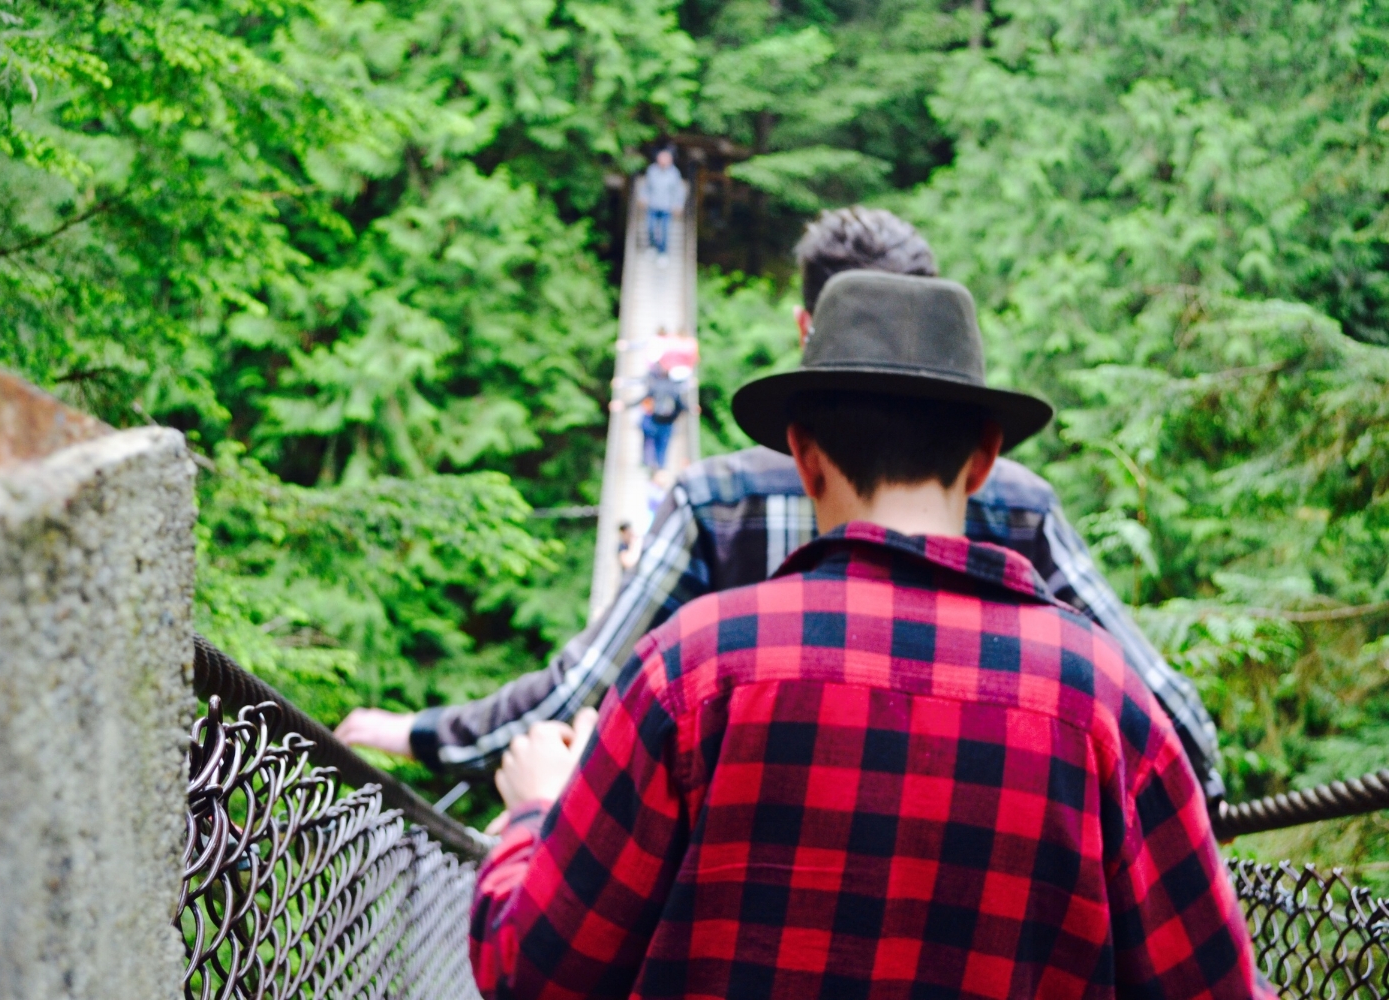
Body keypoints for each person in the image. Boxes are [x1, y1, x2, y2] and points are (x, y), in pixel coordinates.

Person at [469, 271, 1263, 998]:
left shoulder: (695, 669)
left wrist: (536, 810)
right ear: (986, 458)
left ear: (804, 458)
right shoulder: (1099, 697)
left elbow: (531, 977)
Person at [333, 207, 1224, 806]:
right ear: (981, 448)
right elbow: (1181, 737)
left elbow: (576, 696)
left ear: (809, 353)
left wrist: (422, 734)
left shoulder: (715, 521)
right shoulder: (1023, 519)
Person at [638, 148, 686, 259]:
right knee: (650, 227)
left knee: (665, 231)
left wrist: (679, 204)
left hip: (667, 207)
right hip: (653, 205)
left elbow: (679, 190)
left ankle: (663, 252)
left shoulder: (674, 173)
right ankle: (652, 247)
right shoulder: (652, 170)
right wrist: (643, 197)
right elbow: (646, 187)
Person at [640, 363, 687, 471]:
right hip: (668, 423)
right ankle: (660, 468)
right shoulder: (675, 388)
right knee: (663, 448)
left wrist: (624, 405)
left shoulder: (655, 386)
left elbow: (642, 399)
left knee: (652, 442)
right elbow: (681, 405)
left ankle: (649, 465)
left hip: (655, 420)